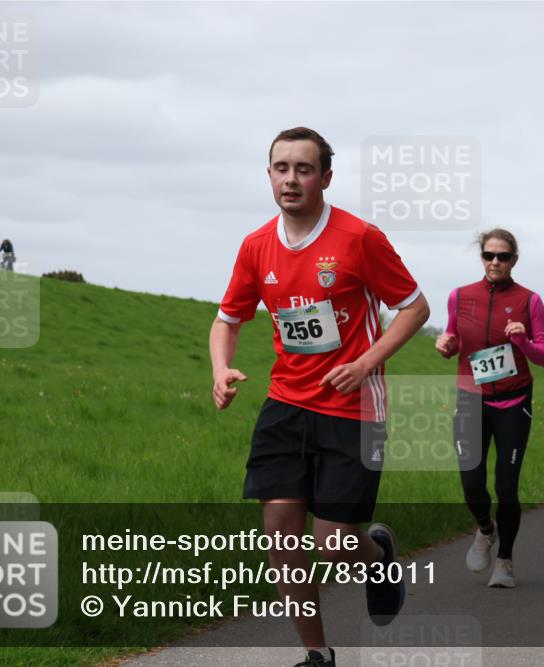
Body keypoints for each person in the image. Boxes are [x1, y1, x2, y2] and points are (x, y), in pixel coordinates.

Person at [210, 127, 430, 667]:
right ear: (268, 176)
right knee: (282, 535)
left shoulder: (359, 238)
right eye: (281, 168)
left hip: (353, 409)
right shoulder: (256, 246)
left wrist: (365, 363)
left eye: (303, 169)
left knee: (334, 546)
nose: (291, 178)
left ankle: (378, 558)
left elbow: (415, 308)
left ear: (325, 178)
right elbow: (227, 319)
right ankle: (318, 655)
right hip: (285, 405)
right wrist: (220, 368)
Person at [435, 228, 544, 588]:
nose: (495, 262)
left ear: (514, 260)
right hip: (471, 399)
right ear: (482, 257)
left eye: (503, 256)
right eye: (489, 255)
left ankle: (505, 561)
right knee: (471, 483)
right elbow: (454, 340)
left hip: (513, 401)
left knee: (506, 485)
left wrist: (522, 340)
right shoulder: (460, 296)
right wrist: (446, 344)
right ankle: (486, 530)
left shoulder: (529, 301)